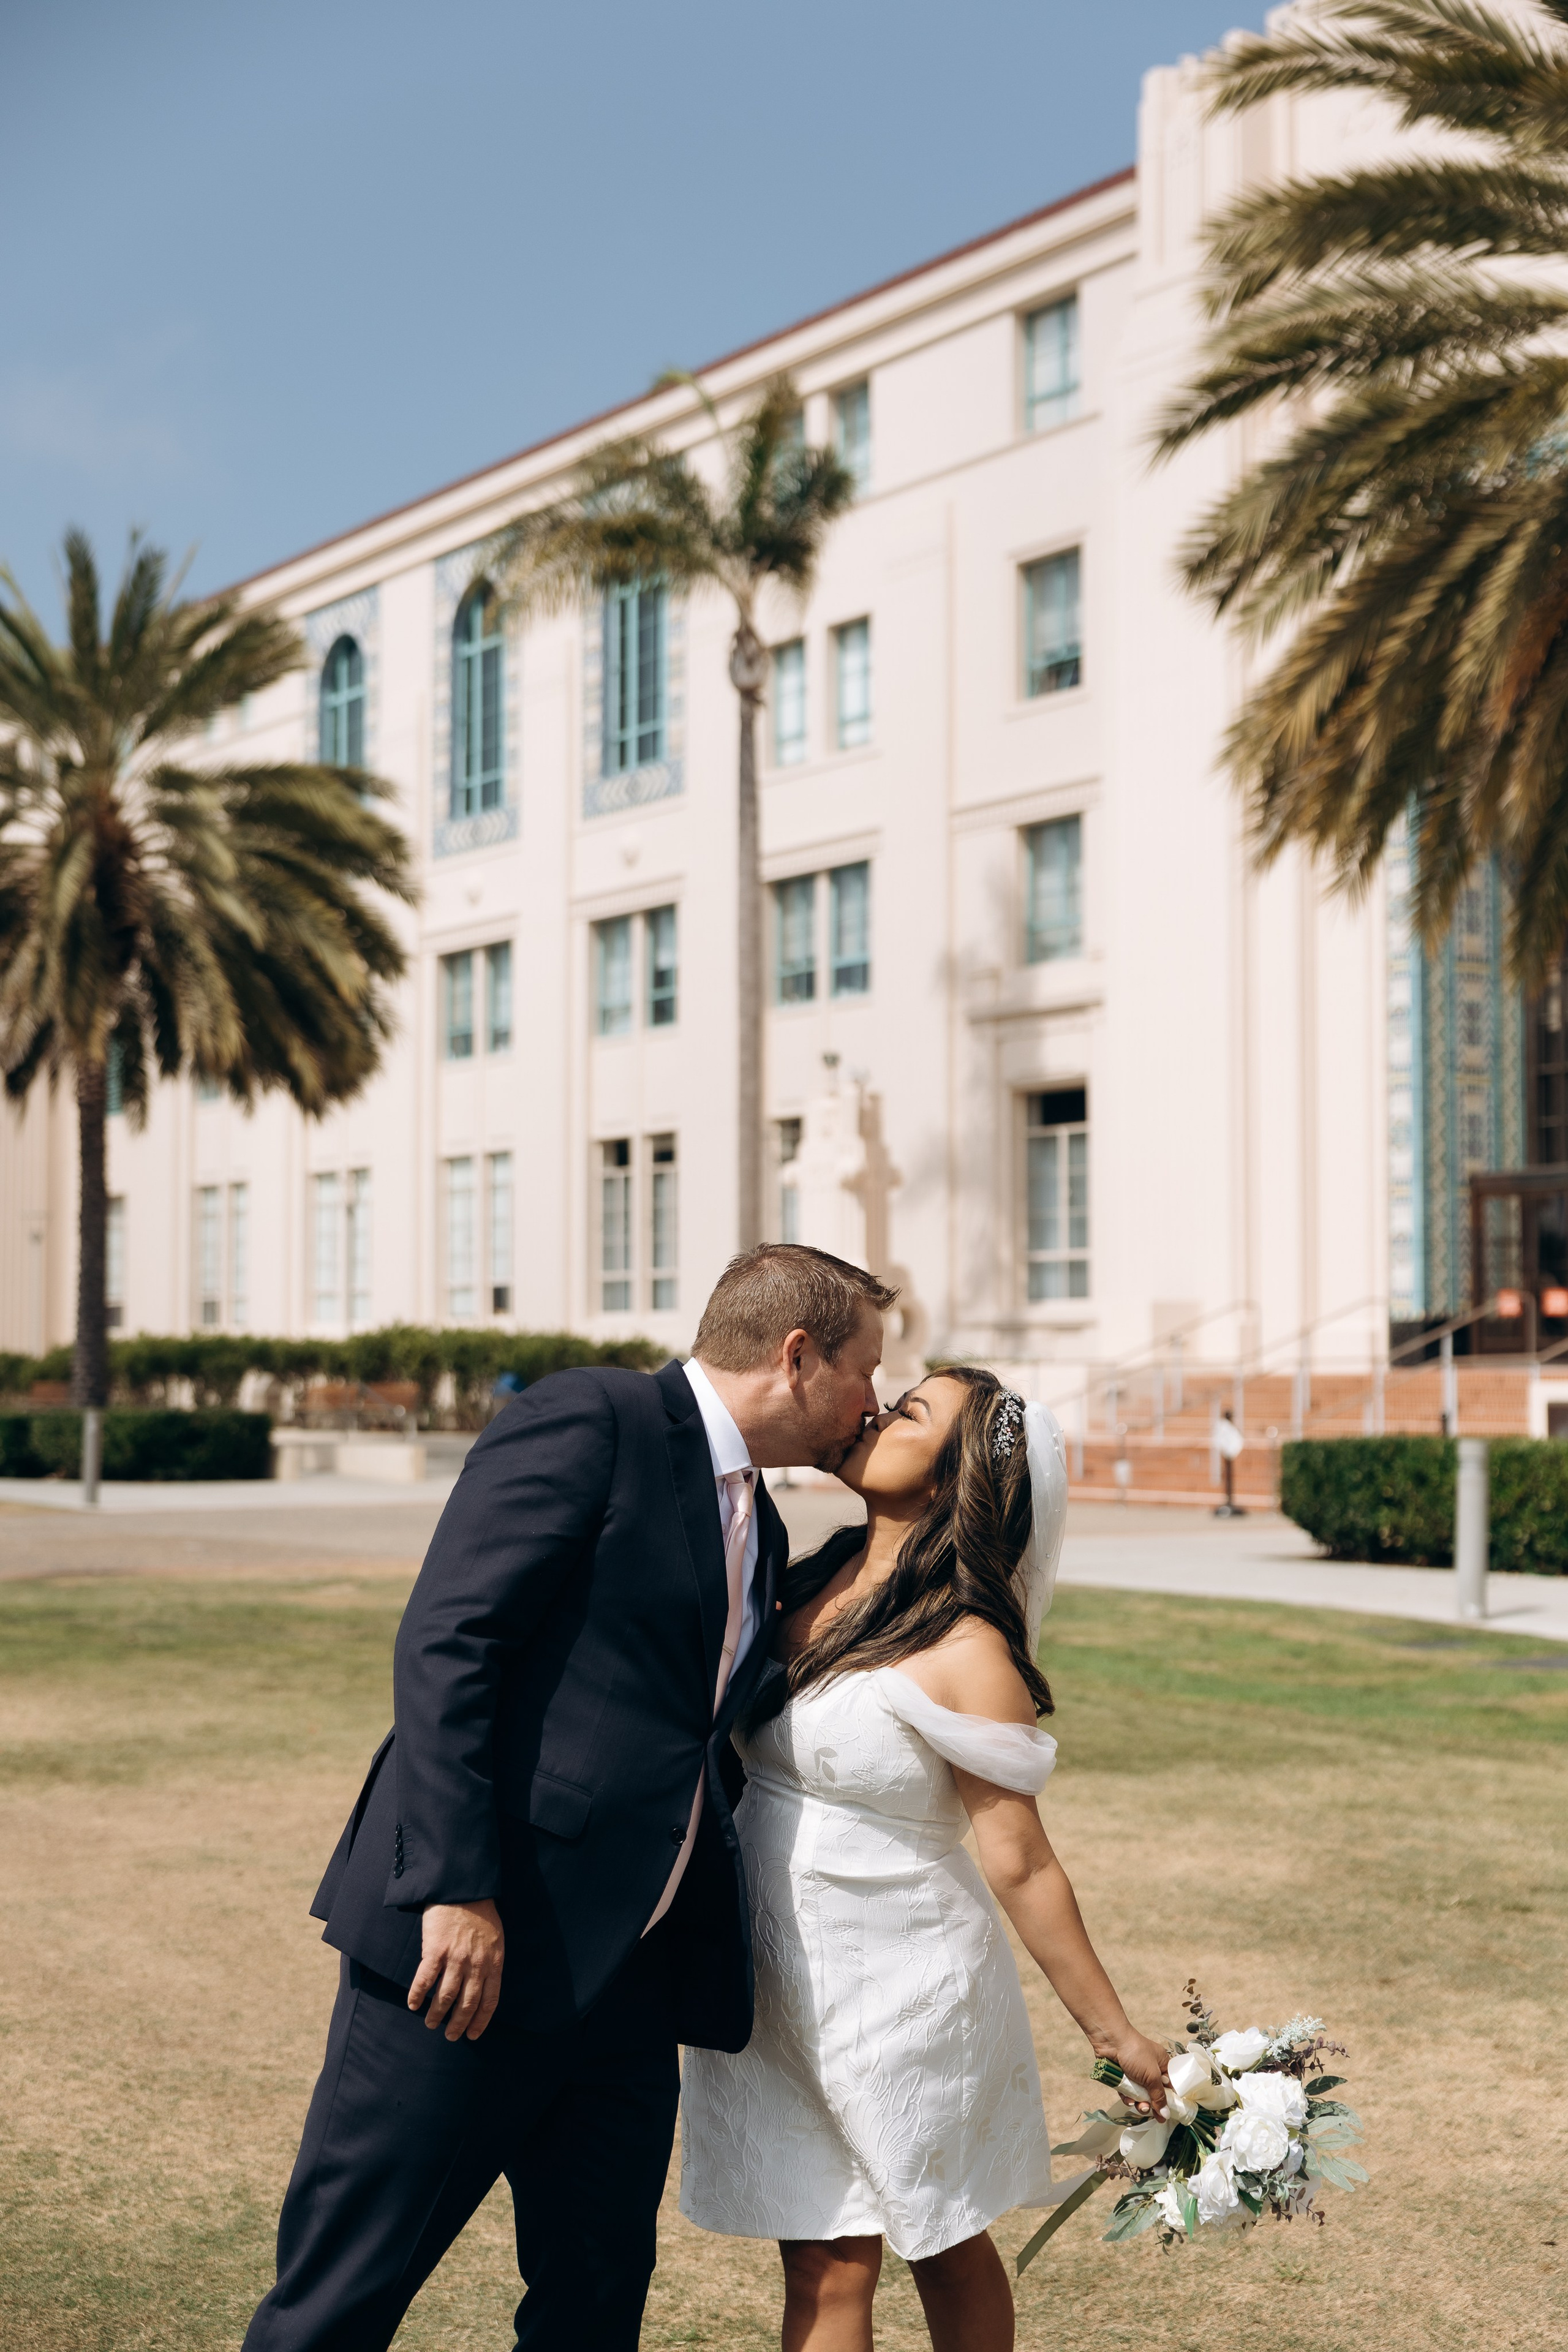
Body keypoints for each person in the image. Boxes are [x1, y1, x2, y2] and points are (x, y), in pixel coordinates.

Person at [243, 1243, 895, 2352]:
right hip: (464, 1964)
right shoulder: (593, 1420)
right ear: (797, 1358)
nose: (872, 1402)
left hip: (628, 1990)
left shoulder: (766, 1524)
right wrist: (455, 1887)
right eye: (865, 1372)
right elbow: (449, 1644)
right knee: (340, 2301)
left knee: (594, 2312)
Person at [680, 1366, 1170, 2352]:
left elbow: (1022, 1861)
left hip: (903, 1983)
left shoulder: (968, 1646)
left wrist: (1114, 2031)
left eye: (909, 1413)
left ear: (953, 1481)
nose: (875, 1411)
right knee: (820, 2253)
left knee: (941, 2241)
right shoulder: (807, 1573)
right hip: (773, 1980)